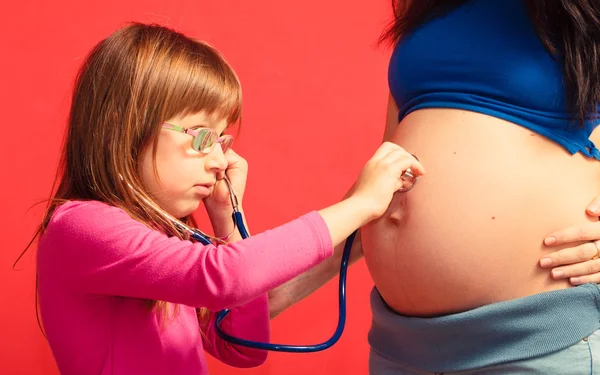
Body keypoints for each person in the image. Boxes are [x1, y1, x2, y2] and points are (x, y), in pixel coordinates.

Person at [27, 23, 425, 375]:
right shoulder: (81, 226)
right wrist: (359, 204)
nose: (220, 160)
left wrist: (226, 218)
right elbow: (226, 276)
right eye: (201, 137)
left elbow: (241, 348)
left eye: (221, 140)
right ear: (126, 126)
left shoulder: (167, 238)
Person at [353, 0, 600, 373]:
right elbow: (377, 184)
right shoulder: (421, 6)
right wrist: (271, 288)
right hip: (399, 345)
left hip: (537, 341)